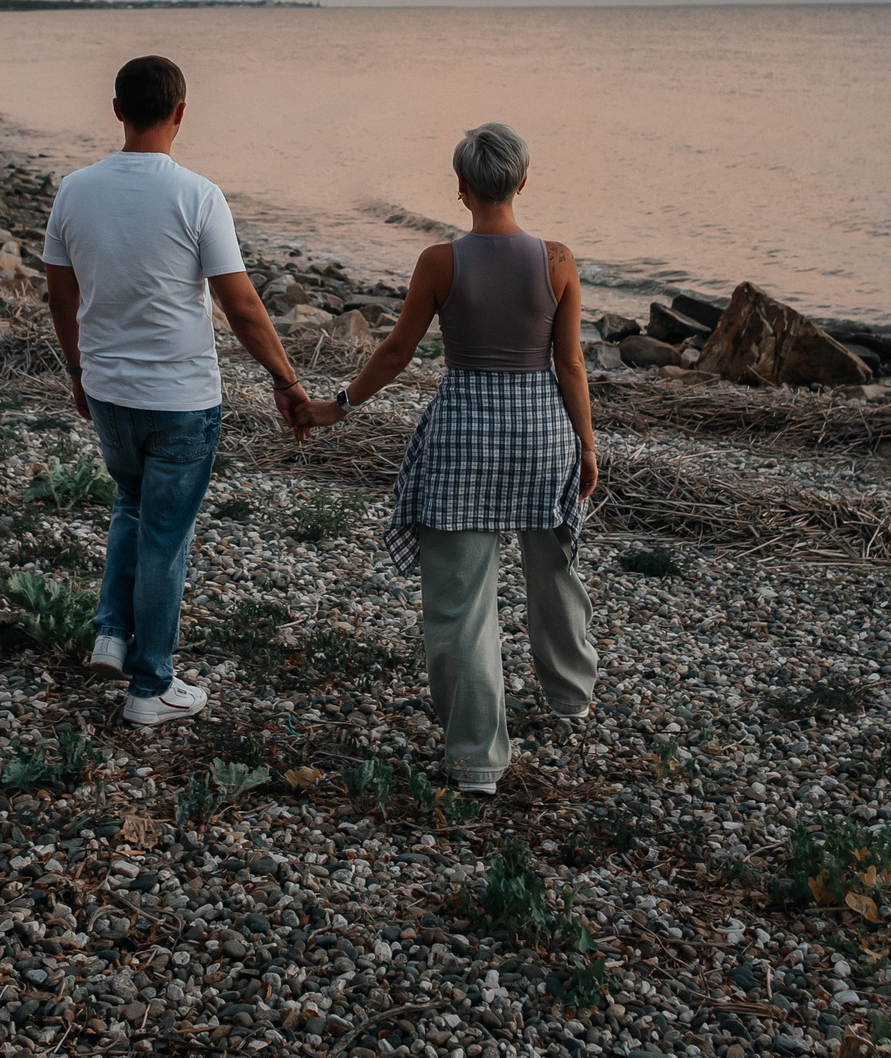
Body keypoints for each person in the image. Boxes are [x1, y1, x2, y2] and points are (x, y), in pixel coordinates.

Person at [301, 122, 599, 792]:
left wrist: (338, 405)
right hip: (542, 436)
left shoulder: (440, 261)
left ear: (461, 187)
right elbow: (571, 361)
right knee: (554, 573)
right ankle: (571, 697)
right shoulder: (557, 260)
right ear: (523, 181)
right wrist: (586, 442)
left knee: (461, 604)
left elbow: (398, 352)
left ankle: (476, 761)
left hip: (464, 439)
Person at [42, 55, 313, 726]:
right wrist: (286, 379)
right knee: (164, 535)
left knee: (132, 506)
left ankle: (112, 631)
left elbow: (58, 287)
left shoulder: (75, 189)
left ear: (116, 110)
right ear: (182, 113)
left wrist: (77, 369)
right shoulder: (198, 194)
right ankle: (150, 685)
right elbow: (242, 305)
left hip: (108, 388)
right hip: (180, 400)